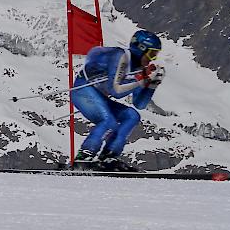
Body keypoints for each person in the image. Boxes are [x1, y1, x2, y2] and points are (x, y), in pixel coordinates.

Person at [71, 30, 165, 171]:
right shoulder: (120, 57)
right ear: (141, 49)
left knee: (132, 116)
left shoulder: (139, 68)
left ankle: (108, 157)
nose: (152, 59)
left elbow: (139, 104)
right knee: (109, 122)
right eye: (152, 54)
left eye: (155, 55)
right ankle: (83, 157)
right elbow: (116, 91)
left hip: (98, 95)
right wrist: (142, 80)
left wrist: (152, 85)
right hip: (82, 90)